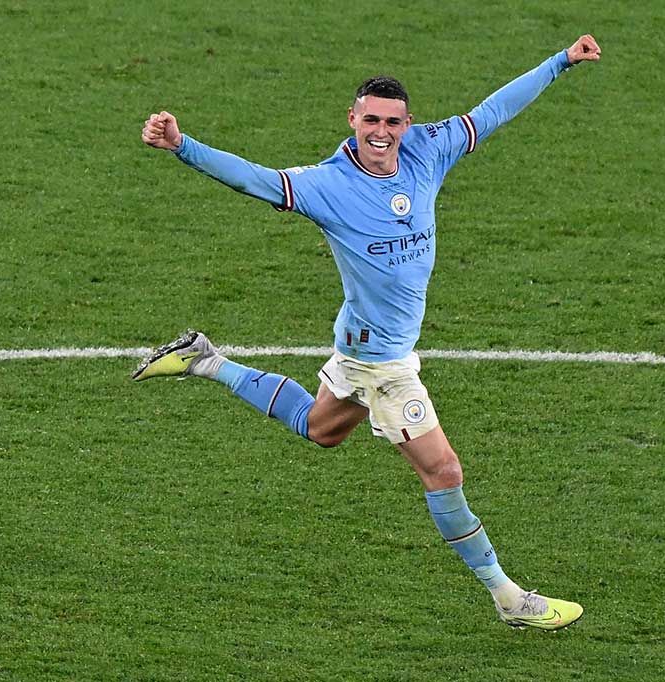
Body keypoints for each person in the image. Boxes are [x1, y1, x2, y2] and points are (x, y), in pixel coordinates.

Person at [134, 34, 601, 630]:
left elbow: (494, 110)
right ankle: (509, 599)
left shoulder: (429, 150)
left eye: (393, 122)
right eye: (371, 119)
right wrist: (181, 145)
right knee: (445, 472)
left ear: (408, 124)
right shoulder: (327, 186)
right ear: (352, 120)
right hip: (382, 361)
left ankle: (204, 360)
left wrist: (560, 62)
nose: (382, 131)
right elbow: (253, 178)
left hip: (361, 345)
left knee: (321, 430)